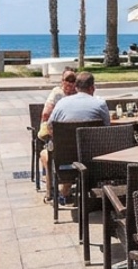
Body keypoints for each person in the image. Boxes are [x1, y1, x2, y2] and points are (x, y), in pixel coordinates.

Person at [46, 71, 111, 205]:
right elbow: (107, 130)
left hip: (65, 162)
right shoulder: (100, 104)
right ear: (92, 88)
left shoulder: (62, 103)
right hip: (95, 161)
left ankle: (61, 191)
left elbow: (50, 127)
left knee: (48, 152)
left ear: (76, 87)